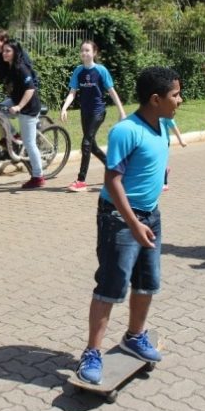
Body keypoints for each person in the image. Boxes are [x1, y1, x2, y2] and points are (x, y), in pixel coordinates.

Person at [76, 66, 182, 385]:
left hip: (150, 216)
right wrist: (133, 224)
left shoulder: (164, 124)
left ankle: (134, 336)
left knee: (147, 281)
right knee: (111, 285)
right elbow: (113, 180)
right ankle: (91, 352)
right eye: (175, 95)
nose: (180, 100)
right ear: (155, 99)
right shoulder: (125, 131)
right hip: (119, 219)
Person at [0, 39, 45, 189]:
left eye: (8, 51)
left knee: (29, 143)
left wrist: (19, 106)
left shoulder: (21, 68)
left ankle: (38, 176)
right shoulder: (5, 66)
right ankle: (13, 136)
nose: (4, 53)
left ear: (15, 52)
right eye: (4, 51)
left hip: (28, 107)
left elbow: (30, 89)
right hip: (15, 100)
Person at [60, 40, 126, 192]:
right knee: (93, 147)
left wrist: (121, 112)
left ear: (94, 53)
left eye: (87, 50)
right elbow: (72, 92)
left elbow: (112, 92)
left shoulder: (101, 70)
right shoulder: (78, 71)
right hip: (85, 112)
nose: (84, 53)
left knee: (86, 142)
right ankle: (117, 170)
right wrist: (64, 107)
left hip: (98, 111)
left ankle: (81, 180)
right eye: (82, 50)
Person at [161, 118, 187, 192]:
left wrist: (181, 140)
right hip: (152, 142)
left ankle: (165, 183)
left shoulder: (164, 113)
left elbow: (173, 125)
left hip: (164, 142)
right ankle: (166, 169)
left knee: (162, 162)